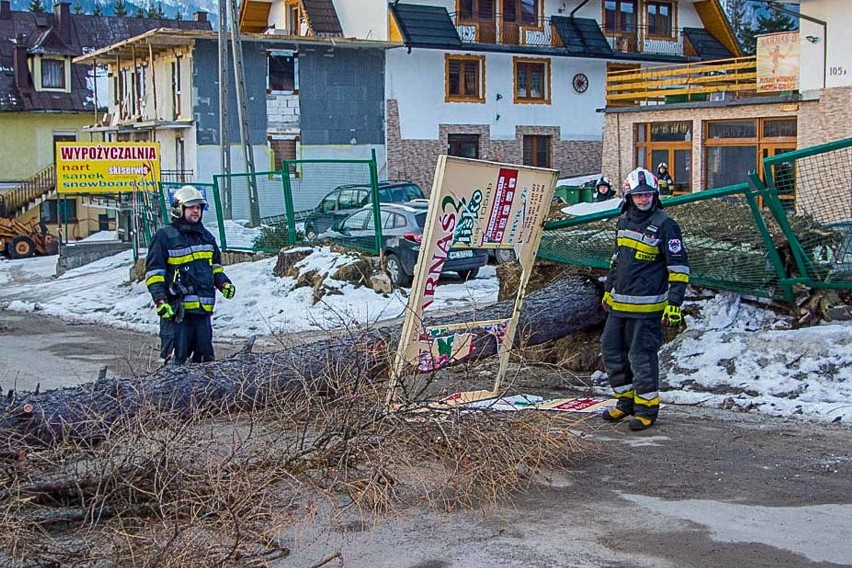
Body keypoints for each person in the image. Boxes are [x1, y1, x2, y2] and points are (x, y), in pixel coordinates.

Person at [600, 167, 689, 431]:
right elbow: (617, 260)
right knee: (611, 350)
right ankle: (625, 401)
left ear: (655, 195)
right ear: (629, 195)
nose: (643, 199)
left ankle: (647, 409)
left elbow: (679, 267)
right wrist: (609, 288)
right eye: (638, 195)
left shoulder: (665, 224)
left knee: (641, 356)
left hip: (649, 307)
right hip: (619, 305)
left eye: (648, 194)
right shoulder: (624, 220)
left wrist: (674, 302)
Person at [145, 185, 235, 365]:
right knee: (175, 366)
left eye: (199, 207)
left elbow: (215, 268)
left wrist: (224, 284)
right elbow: (155, 274)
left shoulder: (207, 237)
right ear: (180, 208)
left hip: (202, 313)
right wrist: (160, 301)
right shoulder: (164, 237)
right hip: (177, 314)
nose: (196, 211)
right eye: (191, 207)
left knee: (205, 365)